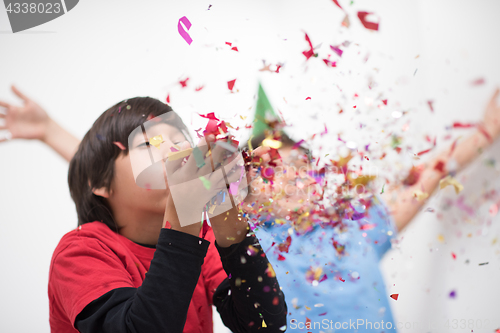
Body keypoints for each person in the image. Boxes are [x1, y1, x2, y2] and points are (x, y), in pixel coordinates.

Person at [2, 86, 500, 332]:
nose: (177, 155)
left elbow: (263, 321)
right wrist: (52, 133)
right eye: (271, 168)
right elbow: (116, 184)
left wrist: (481, 134)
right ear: (251, 189)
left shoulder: (351, 227)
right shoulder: (90, 248)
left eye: (300, 164)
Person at [1, 88, 287, 333]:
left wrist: (225, 209)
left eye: (180, 140)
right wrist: (183, 208)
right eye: (150, 143)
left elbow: (265, 324)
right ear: (100, 182)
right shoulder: (79, 252)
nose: (176, 152)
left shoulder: (203, 237)